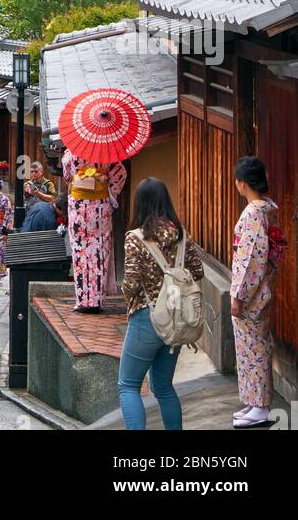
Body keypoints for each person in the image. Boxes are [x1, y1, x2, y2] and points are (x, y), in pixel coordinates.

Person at [118, 177, 204, 431]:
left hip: (147, 317)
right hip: (176, 319)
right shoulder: (181, 235)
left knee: (128, 385)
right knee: (164, 387)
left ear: (140, 204)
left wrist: (129, 299)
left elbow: (131, 283)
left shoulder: (135, 238)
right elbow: (197, 271)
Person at [231, 156, 284, 429]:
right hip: (261, 290)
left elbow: (250, 258)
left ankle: (261, 407)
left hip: (252, 295)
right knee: (252, 349)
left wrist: (238, 295)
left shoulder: (253, 213)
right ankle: (254, 402)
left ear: (242, 183)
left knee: (255, 350)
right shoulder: (266, 209)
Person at [62, 150, 127, 312]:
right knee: (99, 251)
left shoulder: (71, 152)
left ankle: (82, 300)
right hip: (100, 208)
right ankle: (97, 299)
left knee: (80, 251)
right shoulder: (109, 153)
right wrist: (109, 193)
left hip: (78, 207)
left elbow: (67, 177)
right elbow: (121, 174)